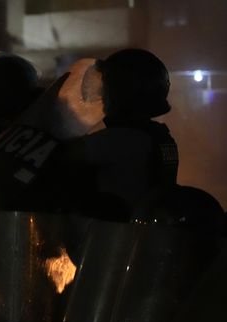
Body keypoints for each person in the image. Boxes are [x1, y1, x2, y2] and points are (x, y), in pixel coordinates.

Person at [52, 48, 179, 221]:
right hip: (137, 234)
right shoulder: (157, 135)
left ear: (121, 92)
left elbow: (59, 155)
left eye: (108, 86)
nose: (102, 94)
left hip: (111, 236)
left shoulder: (123, 139)